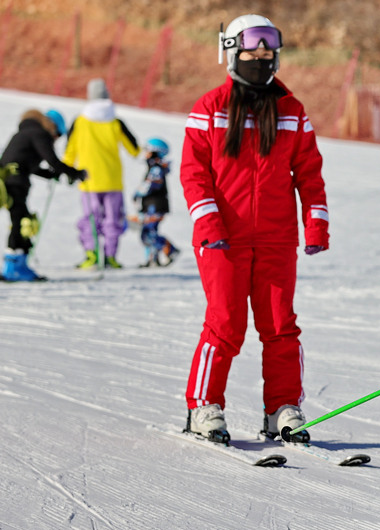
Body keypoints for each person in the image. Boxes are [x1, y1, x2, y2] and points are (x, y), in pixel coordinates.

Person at [180, 14, 329, 444]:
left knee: (280, 324)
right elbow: (194, 174)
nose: (262, 59)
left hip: (276, 238)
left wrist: (315, 223)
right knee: (225, 323)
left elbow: (309, 174)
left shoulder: (291, 111)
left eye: (269, 52)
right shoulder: (209, 109)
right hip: (222, 238)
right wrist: (208, 221)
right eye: (252, 51)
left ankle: (282, 407)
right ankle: (203, 406)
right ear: (229, 53)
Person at [62, 78, 140, 270]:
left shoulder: (80, 121)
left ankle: (91, 255)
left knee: (91, 218)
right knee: (113, 219)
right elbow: (134, 149)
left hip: (88, 180)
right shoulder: (115, 121)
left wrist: (67, 170)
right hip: (112, 179)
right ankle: (110, 256)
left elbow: (70, 151)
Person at [1, 109, 86, 281]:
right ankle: (13, 267)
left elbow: (29, 165)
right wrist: (76, 173)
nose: (56, 139)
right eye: (58, 135)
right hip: (15, 183)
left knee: (21, 220)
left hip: (8, 181)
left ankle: (17, 264)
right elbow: (52, 161)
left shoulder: (25, 132)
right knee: (22, 222)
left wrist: (51, 174)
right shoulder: (40, 133)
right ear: (52, 127)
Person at [131, 137, 179, 267]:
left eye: (147, 150)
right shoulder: (154, 167)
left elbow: (151, 185)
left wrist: (138, 193)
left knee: (148, 233)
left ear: (155, 152)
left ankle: (170, 249)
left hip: (155, 206)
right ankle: (152, 259)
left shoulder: (156, 169)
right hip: (150, 205)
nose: (145, 153)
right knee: (149, 233)